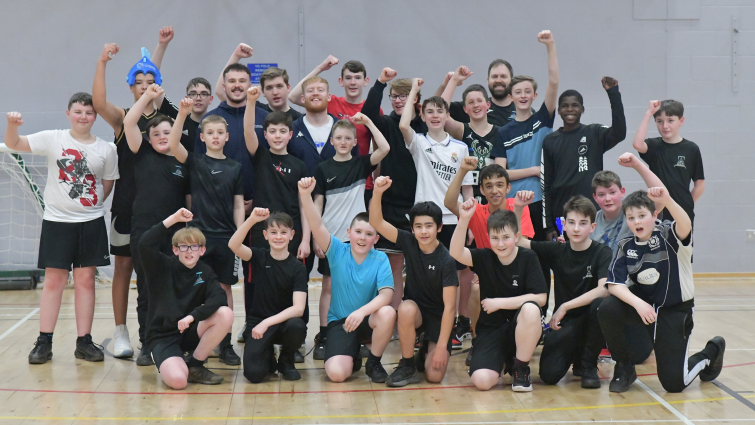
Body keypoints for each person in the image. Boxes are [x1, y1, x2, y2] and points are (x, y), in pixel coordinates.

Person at [6, 94, 118, 364]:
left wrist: (91, 205)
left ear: (95, 116)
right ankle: (44, 341)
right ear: (68, 113)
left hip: (91, 223)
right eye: (78, 111)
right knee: (54, 281)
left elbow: (107, 182)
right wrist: (12, 125)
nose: (83, 116)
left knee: (86, 281)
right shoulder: (54, 138)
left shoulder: (107, 149)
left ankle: (84, 342)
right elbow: (14, 143)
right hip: (57, 223)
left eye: (89, 112)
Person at [91, 27, 174, 359]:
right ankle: (121, 330)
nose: (144, 85)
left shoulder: (168, 122)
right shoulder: (124, 119)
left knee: (161, 269)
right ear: (131, 86)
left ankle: (162, 329)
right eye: (138, 82)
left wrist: (161, 46)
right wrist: (102, 61)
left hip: (162, 207)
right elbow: (97, 102)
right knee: (124, 267)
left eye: (148, 81)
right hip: (127, 205)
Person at [598, 187, 725, 393]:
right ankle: (624, 366)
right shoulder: (625, 245)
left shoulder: (669, 235)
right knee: (607, 308)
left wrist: (667, 198)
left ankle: (711, 352)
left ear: (654, 215)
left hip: (674, 311)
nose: (637, 222)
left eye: (642, 216)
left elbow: (685, 223)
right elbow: (614, 284)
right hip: (644, 310)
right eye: (631, 218)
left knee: (674, 384)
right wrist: (639, 304)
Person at [167, 98, 244, 365]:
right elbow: (173, 144)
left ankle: (225, 343)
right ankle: (191, 340)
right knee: (194, 287)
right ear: (202, 137)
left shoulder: (235, 167)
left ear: (226, 137)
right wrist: (182, 114)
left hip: (225, 238)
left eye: (219, 132)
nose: (215, 136)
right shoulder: (195, 161)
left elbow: (238, 204)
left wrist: (240, 233)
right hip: (198, 238)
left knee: (224, 289)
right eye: (209, 132)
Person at [400, 79, 475, 346]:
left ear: (447, 116)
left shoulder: (461, 147)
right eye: (429, 111)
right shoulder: (419, 143)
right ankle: (422, 327)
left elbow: (468, 191)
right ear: (422, 115)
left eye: (439, 111)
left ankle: (452, 326)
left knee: (452, 276)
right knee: (421, 276)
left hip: (453, 220)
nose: (434, 116)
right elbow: (402, 125)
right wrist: (412, 93)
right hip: (425, 222)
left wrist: (469, 224)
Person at [298, 177, 396, 383]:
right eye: (358, 232)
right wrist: (306, 196)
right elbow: (316, 225)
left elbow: (387, 294)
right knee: (336, 374)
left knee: (387, 312)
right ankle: (353, 354)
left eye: (369, 234)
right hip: (341, 322)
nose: (362, 238)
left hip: (367, 318)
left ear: (376, 239)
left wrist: (362, 312)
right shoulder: (336, 250)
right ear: (348, 233)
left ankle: (374, 362)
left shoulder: (380, 258)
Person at [311, 115, 391, 360]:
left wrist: (368, 122)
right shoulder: (323, 169)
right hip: (333, 238)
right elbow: (318, 203)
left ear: (355, 142)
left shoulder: (361, 164)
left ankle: (359, 331)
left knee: (360, 287)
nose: (343, 142)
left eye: (348, 138)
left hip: (358, 238)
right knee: (328, 287)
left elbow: (385, 147)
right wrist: (316, 237)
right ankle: (325, 334)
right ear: (332, 141)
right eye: (339, 138)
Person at [514, 193, 612, 388]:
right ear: (564, 225)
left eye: (583, 223)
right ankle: (575, 354)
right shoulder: (556, 251)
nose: (576, 228)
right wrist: (518, 208)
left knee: (602, 305)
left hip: (591, 321)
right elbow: (520, 242)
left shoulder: (602, 252)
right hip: (565, 325)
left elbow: (604, 290)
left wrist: (565, 306)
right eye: (572, 222)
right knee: (549, 376)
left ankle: (588, 365)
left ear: (592, 227)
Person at [449, 199, 547, 391]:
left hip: (521, 328)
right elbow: (455, 252)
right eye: (495, 238)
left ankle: (520, 367)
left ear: (517, 236)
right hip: (491, 330)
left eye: (506, 237)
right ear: (488, 237)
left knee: (530, 309)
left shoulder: (528, 257)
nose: (500, 244)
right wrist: (464, 219)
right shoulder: (485, 257)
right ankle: (502, 362)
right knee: (482, 381)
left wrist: (500, 303)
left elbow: (541, 298)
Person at [370, 176, 458, 387]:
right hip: (416, 312)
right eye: (418, 226)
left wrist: (441, 347)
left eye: (429, 226)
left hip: (438, 318)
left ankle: (428, 348)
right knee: (406, 308)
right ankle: (408, 364)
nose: (423, 231)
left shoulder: (446, 260)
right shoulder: (409, 242)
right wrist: (377, 192)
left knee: (434, 377)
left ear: (439, 227)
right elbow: (376, 222)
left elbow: (449, 308)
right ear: (412, 229)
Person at [445, 158, 535, 363]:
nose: (495, 190)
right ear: (482, 191)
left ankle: (520, 346)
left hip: (515, 274)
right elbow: (449, 203)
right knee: (475, 288)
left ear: (508, 187)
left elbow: (522, 246)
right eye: (489, 186)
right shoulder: (477, 211)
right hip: (488, 275)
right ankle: (478, 341)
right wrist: (462, 171)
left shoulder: (518, 206)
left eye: (499, 185)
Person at [124, 84, 189, 366]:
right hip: (145, 232)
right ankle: (147, 343)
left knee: (176, 287)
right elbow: (129, 121)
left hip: (176, 235)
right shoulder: (141, 153)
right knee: (147, 289)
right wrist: (148, 97)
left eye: (167, 132)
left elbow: (188, 199)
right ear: (148, 138)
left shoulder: (181, 160)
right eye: (156, 133)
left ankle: (175, 340)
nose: (162, 137)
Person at [140, 208, 233, 389]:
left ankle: (196, 366)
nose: (189, 251)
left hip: (189, 330)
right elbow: (145, 244)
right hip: (162, 337)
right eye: (183, 246)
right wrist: (174, 219)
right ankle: (168, 361)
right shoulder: (160, 266)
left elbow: (219, 297)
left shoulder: (205, 271)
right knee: (178, 381)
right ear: (175, 250)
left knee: (225, 314)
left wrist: (192, 316)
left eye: (194, 247)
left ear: (202, 250)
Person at [362, 68, 428, 313]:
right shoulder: (387, 124)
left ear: (414, 100)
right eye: (395, 96)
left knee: (420, 268)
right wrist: (380, 83)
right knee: (393, 267)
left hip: (419, 205)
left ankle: (416, 319)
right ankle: (393, 318)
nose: (399, 100)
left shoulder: (423, 126)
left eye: (404, 96)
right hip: (391, 205)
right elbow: (367, 112)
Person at [491, 30, 559, 243]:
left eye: (527, 92)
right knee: (517, 253)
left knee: (543, 256)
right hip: (515, 203)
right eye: (518, 92)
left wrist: (550, 45)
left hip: (543, 202)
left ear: (534, 96)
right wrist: (533, 171)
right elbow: (500, 174)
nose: (523, 96)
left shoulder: (542, 120)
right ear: (511, 97)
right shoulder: (502, 133)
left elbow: (554, 82)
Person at [542, 77, 627, 240]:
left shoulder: (594, 133)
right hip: (562, 217)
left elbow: (619, 132)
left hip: (591, 214)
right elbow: (545, 184)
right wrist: (548, 226)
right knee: (565, 262)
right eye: (565, 106)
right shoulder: (550, 141)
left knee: (593, 260)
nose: (570, 109)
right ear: (558, 110)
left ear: (582, 109)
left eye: (575, 105)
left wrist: (613, 94)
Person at [229, 209, 308, 383]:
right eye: (273, 232)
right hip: (257, 323)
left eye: (283, 232)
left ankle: (286, 361)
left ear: (291, 235)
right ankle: (268, 357)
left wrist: (267, 322)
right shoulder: (258, 256)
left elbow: (298, 308)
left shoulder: (298, 268)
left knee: (297, 325)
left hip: (282, 324)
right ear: (265, 235)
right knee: (254, 374)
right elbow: (233, 245)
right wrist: (251, 220)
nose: (278, 237)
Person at [244, 86, 311, 282]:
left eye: (283, 131)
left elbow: (304, 206)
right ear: (265, 135)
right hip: (261, 232)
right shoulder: (260, 156)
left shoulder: (299, 166)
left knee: (290, 284)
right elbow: (248, 130)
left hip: (291, 232)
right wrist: (250, 101)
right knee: (261, 284)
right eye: (272, 131)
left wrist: (305, 240)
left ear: (290, 135)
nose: (278, 135)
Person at [196, 62, 268, 216]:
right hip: (221, 206)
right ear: (223, 86)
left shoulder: (265, 118)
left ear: (249, 85)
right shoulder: (209, 120)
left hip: (261, 205)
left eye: (242, 81)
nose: (237, 85)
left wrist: (259, 198)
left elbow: (272, 164)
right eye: (232, 81)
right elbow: (201, 167)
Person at [289, 56, 379, 161]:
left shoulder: (372, 109)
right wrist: (320, 68)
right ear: (341, 81)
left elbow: (377, 148)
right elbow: (293, 97)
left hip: (360, 171)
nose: (353, 82)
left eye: (358, 78)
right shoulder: (331, 102)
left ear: (366, 81)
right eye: (348, 78)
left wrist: (376, 176)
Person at [632, 100, 704, 224]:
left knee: (682, 243)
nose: (665, 126)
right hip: (658, 211)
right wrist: (649, 113)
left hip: (682, 211)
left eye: (670, 120)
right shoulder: (654, 146)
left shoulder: (691, 149)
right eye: (660, 121)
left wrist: (685, 205)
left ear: (681, 121)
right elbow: (637, 144)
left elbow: (700, 185)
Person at [439, 66, 501, 205]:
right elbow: (441, 112)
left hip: (493, 199)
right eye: (471, 102)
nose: (476, 105)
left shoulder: (501, 133)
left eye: (479, 101)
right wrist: (454, 80)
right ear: (465, 109)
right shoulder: (461, 130)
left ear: (488, 104)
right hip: (468, 200)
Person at [592, 153, 665, 256]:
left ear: (622, 192)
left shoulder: (634, 208)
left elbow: (662, 196)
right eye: (601, 195)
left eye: (612, 192)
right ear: (595, 197)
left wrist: (636, 164)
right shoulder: (591, 222)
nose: (608, 199)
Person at [213, 43, 303, 121]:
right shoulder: (255, 109)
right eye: (269, 88)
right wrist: (236, 56)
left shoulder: (299, 119)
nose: (275, 92)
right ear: (262, 92)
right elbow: (221, 91)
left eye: (279, 86)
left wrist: (317, 69)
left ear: (288, 88)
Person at [287, 76, 354, 176]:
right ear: (302, 98)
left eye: (320, 90)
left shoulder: (345, 129)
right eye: (310, 90)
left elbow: (354, 166)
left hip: (336, 191)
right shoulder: (292, 130)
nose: (315, 93)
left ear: (329, 97)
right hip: (301, 191)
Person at [435, 59, 519, 126]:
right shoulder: (476, 107)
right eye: (494, 77)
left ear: (512, 81)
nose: (498, 80)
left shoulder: (523, 111)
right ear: (488, 80)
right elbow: (436, 110)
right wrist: (447, 84)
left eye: (503, 76)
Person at [158, 77, 215, 152]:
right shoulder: (180, 118)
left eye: (203, 94)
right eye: (193, 94)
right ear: (187, 98)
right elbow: (157, 93)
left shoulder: (216, 124)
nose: (198, 98)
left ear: (211, 99)